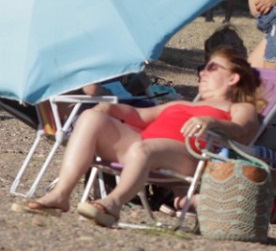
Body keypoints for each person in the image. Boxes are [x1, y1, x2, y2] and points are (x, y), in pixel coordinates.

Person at [13, 47, 262, 227]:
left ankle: (113, 203)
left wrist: (212, 121)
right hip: (142, 149)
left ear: (233, 77)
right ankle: (60, 195)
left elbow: (242, 129)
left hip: (188, 155)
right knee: (91, 118)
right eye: (202, 68)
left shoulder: (237, 108)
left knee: (145, 148)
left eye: (211, 67)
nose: (202, 73)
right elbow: (139, 116)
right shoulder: (181, 104)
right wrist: (107, 107)